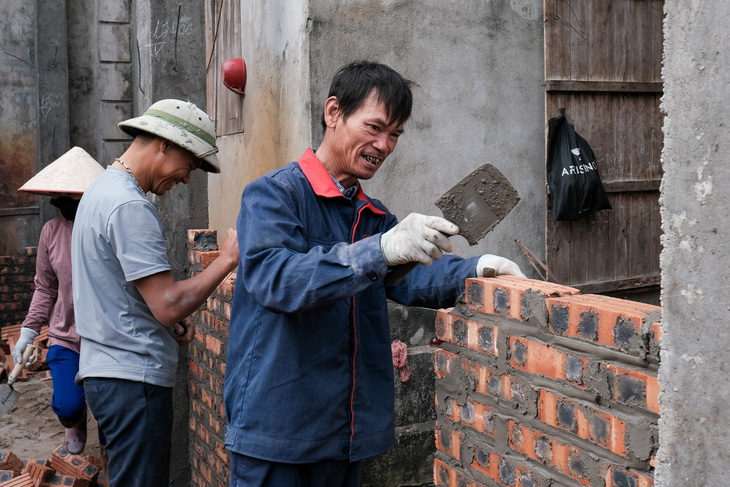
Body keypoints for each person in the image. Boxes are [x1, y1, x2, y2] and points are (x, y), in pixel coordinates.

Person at [224, 60, 526, 486]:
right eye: (374, 128)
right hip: (277, 433)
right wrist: (378, 250)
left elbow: (411, 277)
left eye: (395, 135)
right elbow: (278, 279)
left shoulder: (373, 215)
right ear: (333, 113)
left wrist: (477, 269)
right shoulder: (274, 195)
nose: (383, 145)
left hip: (345, 436)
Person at [71, 99, 240, 487]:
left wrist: (167, 320)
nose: (185, 180)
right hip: (133, 382)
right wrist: (226, 260)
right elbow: (167, 304)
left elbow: (122, 292)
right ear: (164, 143)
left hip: (106, 374)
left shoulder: (99, 193)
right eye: (191, 166)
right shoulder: (130, 206)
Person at [13, 147, 105, 454]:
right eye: (58, 194)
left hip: (106, 339)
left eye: (71, 195)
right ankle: (75, 422)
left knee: (110, 415)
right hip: (67, 337)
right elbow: (45, 288)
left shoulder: (105, 228)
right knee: (67, 406)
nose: (61, 201)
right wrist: (29, 329)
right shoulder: (50, 232)